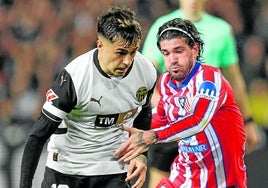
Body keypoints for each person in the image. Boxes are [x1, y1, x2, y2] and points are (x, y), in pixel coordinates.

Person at [19, 6, 157, 188]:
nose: (128, 61)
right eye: (121, 52)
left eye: (133, 52)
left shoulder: (146, 71)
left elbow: (144, 111)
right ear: (100, 45)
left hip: (113, 169)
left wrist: (140, 154)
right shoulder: (75, 77)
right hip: (68, 169)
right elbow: (37, 136)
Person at [114, 17, 247, 188]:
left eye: (179, 51)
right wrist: (120, 126)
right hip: (184, 177)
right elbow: (159, 118)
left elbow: (198, 121)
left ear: (195, 49)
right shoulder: (165, 82)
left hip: (221, 182)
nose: (172, 60)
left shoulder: (210, 80)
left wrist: (152, 136)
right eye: (166, 53)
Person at [141, 0, 259, 187]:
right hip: (172, 124)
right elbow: (144, 77)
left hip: (210, 128)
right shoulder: (162, 27)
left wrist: (249, 120)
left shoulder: (221, 30)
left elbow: (234, 79)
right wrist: (163, 108)